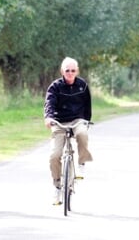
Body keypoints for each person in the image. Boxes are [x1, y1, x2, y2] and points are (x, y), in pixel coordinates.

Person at [44, 57, 92, 205]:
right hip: (59, 122)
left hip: (77, 120)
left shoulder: (82, 85)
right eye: (67, 70)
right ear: (62, 71)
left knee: (82, 134)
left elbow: (87, 106)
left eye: (73, 70)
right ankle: (57, 186)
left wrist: (86, 121)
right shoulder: (55, 87)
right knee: (54, 155)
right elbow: (49, 104)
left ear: (77, 71)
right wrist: (48, 118)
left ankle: (82, 163)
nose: (70, 73)